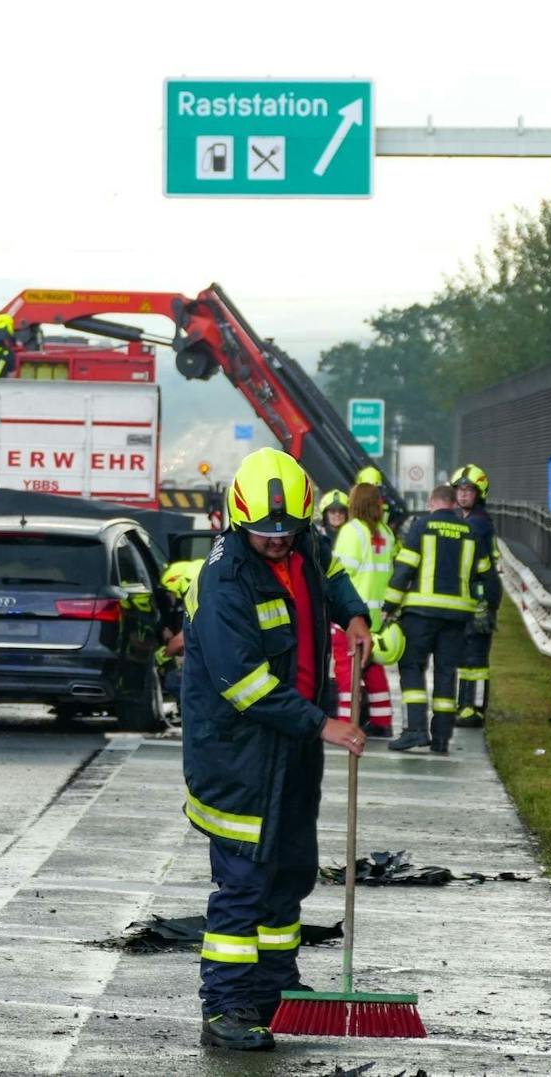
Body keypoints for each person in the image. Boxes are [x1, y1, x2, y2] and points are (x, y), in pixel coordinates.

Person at [182, 448, 371, 1051]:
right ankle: (227, 1007)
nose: (276, 541)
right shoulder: (224, 581)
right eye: (265, 532)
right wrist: (324, 725)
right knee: (244, 879)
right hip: (239, 754)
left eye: (286, 531)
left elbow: (332, 576)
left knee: (288, 871)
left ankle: (275, 989)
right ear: (238, 521)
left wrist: (356, 614)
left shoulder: (304, 545)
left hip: (291, 748)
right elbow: (244, 684)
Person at [382, 484, 491, 755]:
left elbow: (404, 569)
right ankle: (441, 738)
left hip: (420, 613)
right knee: (446, 673)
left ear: (432, 503)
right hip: (457, 616)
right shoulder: (472, 532)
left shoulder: (422, 526)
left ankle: (415, 730)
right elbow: (484, 574)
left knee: (412, 668)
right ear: (454, 504)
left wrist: (389, 606)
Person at [331, 482, 396, 736]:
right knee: (373, 667)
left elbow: (339, 575)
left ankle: (348, 723)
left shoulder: (351, 531)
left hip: (351, 615)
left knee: (347, 670)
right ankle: (382, 722)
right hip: (376, 616)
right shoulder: (386, 533)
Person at [452, 464, 500, 727]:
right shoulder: (473, 521)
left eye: (469, 490)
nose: (463, 495)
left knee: (476, 658)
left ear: (479, 493)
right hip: (476, 594)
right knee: (469, 656)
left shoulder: (477, 525)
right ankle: (467, 706)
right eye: (460, 490)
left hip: (480, 596)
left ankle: (474, 709)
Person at [312, 489, 348, 564]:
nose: (337, 514)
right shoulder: (315, 536)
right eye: (332, 511)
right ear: (325, 514)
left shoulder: (353, 536)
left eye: (341, 511)